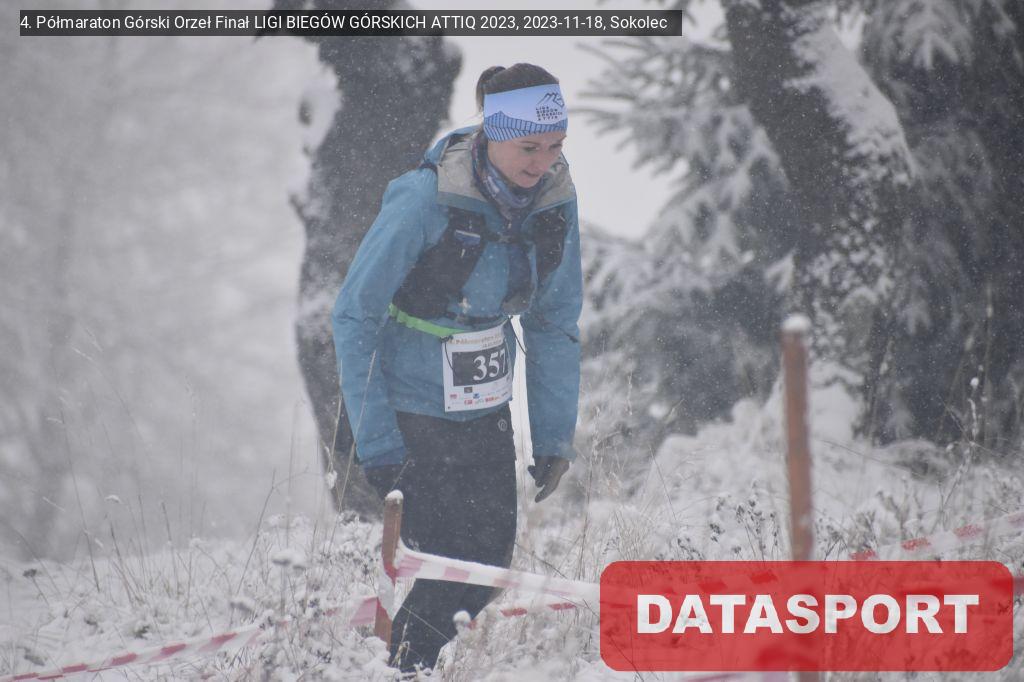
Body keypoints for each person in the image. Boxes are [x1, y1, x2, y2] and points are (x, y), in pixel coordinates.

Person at [331, 63, 581, 673]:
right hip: (413, 410)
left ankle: (392, 666)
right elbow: (354, 314)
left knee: (486, 569)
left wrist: (553, 437)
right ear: (492, 133)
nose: (543, 162)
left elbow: (553, 321)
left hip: (486, 408)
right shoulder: (425, 198)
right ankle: (396, 669)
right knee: (447, 565)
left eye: (555, 145)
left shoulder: (554, 202)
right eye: (529, 147)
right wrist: (377, 444)